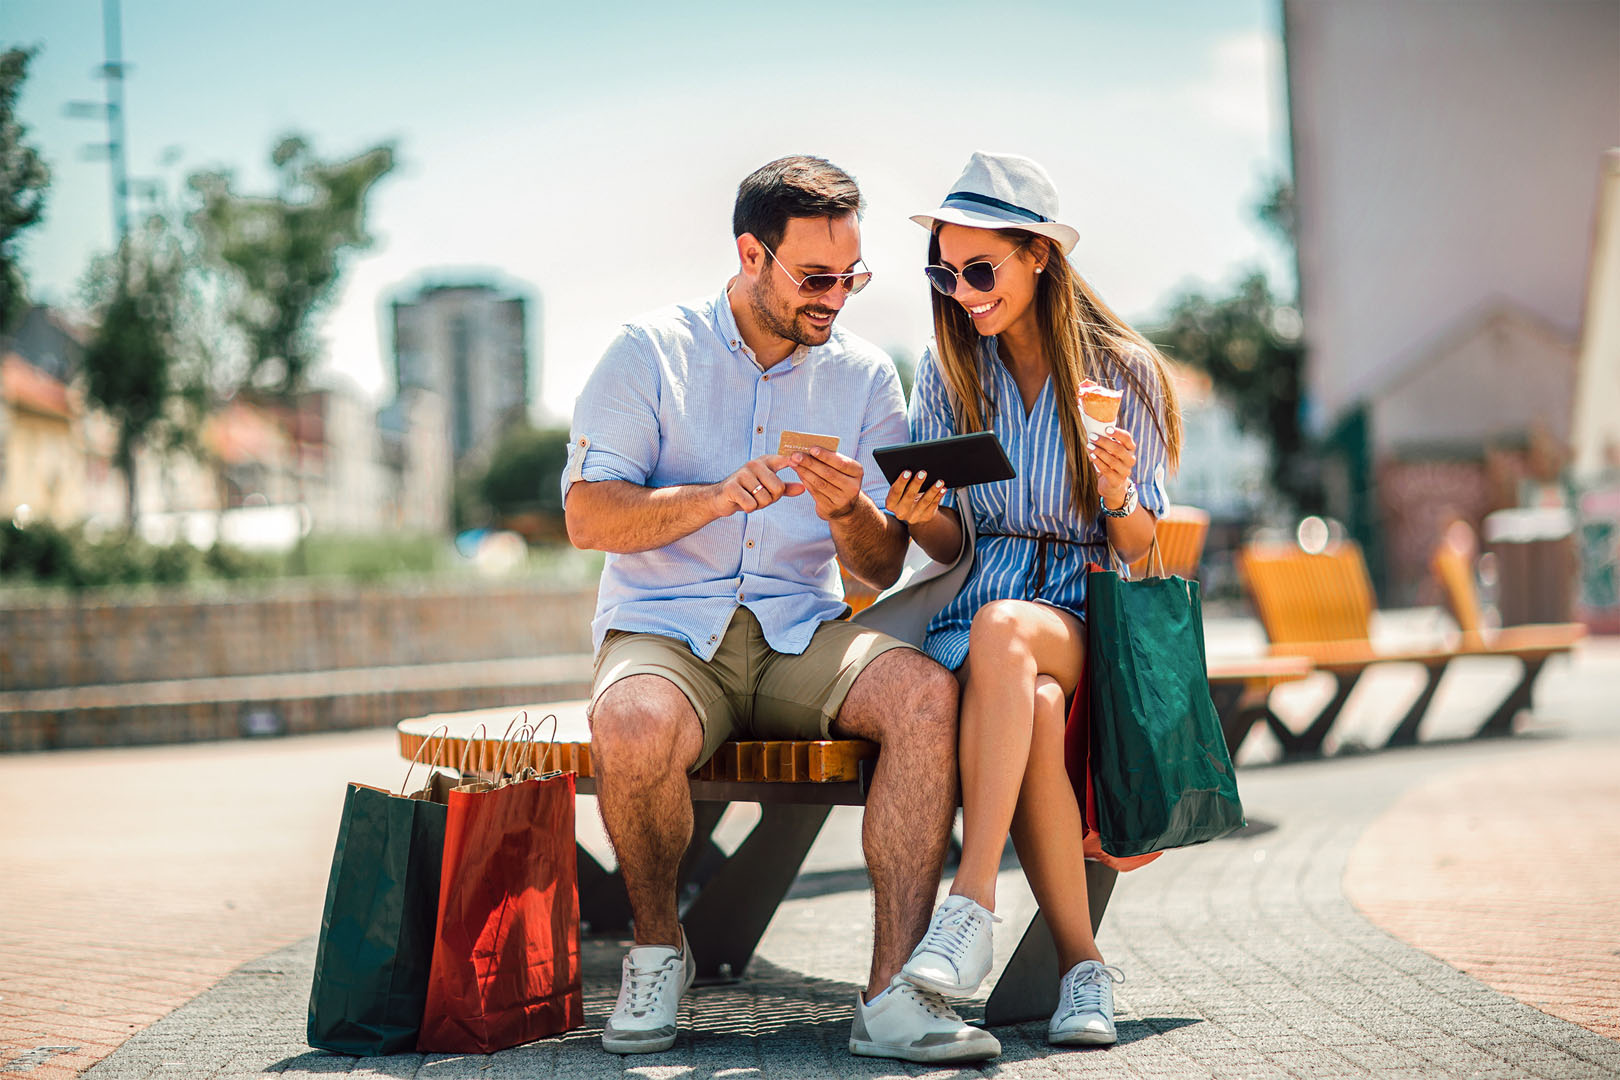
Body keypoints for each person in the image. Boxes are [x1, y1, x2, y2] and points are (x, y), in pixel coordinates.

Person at [563, 155, 1000, 1064]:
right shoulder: (648, 352)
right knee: (633, 722)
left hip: (803, 631)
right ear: (750, 254)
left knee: (924, 696)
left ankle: (890, 996)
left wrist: (850, 510)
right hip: (667, 631)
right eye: (814, 278)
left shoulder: (868, 377)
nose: (834, 298)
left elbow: (880, 566)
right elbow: (587, 515)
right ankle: (656, 949)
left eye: (851, 277)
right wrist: (715, 498)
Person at [883, 151, 1184, 1046]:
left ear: (1039, 257)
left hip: (1082, 611)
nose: (963, 290)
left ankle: (971, 901)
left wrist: (1122, 490)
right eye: (947, 270)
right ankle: (1085, 972)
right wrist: (919, 516)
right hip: (987, 619)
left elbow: (1141, 546)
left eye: (982, 269)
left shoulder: (1120, 371)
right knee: (1035, 705)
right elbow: (950, 545)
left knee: (1007, 632)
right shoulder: (949, 370)